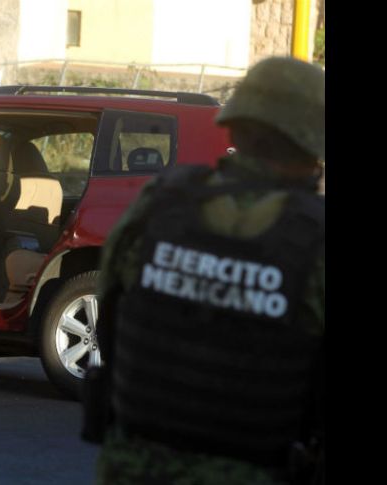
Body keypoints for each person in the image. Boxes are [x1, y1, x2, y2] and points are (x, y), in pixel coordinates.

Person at [84, 56, 325, 485]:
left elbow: (112, 317)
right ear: (314, 146)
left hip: (131, 468)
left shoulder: (159, 201)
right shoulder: (316, 237)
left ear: (231, 128)